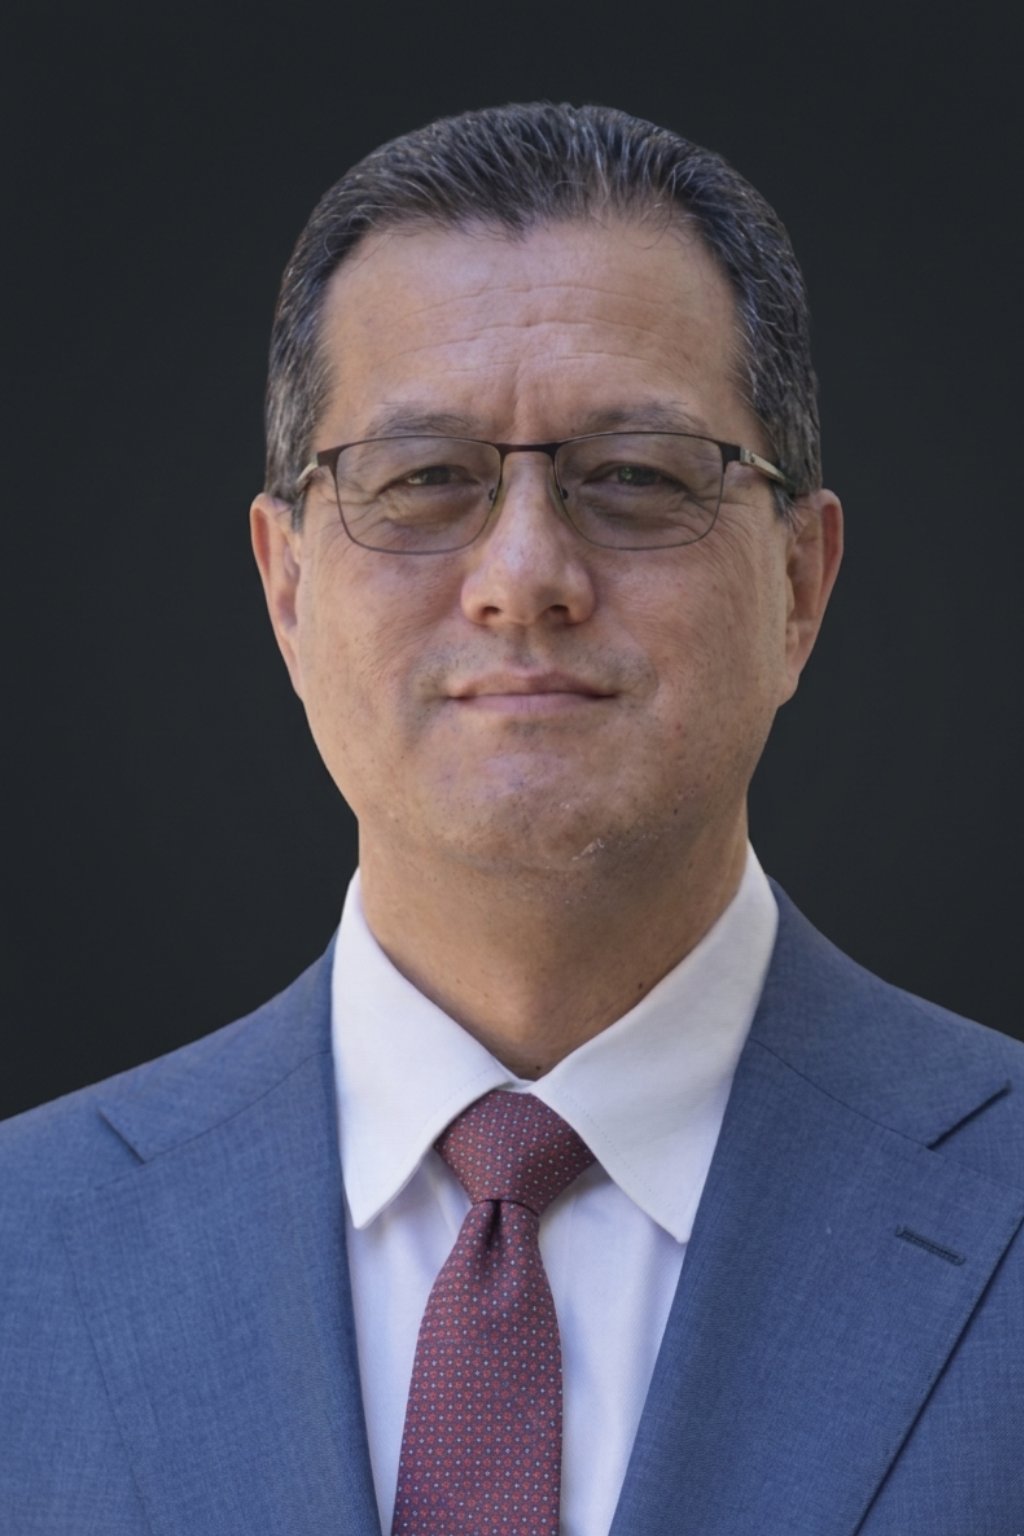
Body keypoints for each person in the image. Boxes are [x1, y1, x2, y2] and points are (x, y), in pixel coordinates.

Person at [2, 102, 1022, 1536]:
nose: (524, 576)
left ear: (801, 584)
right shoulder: (19, 1255)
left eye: (637, 479)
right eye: (424, 482)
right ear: (286, 590)